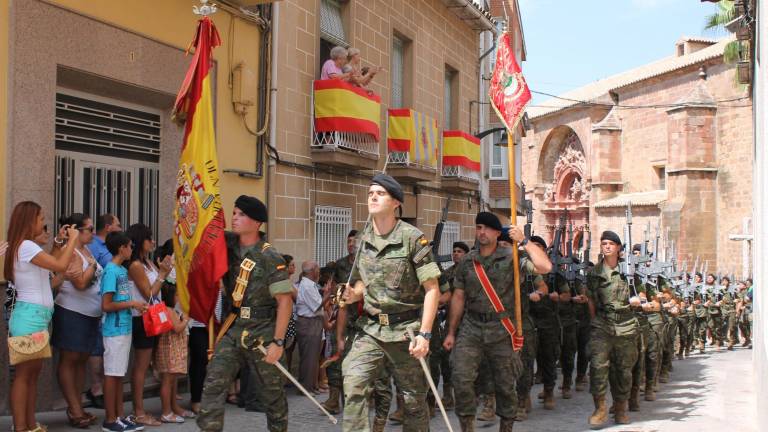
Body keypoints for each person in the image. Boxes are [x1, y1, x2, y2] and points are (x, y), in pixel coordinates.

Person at [340, 174, 443, 432]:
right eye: (370, 193)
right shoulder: (364, 237)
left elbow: (432, 289)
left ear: (396, 202)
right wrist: (354, 294)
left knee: (413, 401)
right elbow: (364, 281)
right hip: (370, 330)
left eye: (380, 193)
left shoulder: (412, 238)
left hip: (405, 330)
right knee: (353, 384)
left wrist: (425, 334)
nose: (373, 197)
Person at [443, 212, 551, 432]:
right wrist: (451, 332)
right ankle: (467, 426)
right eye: (478, 227)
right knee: (461, 377)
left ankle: (506, 427)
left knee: (505, 384)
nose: (481, 232)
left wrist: (524, 241)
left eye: (487, 228)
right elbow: (458, 297)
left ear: (496, 233)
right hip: (471, 327)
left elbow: (545, 267)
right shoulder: (467, 261)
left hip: (502, 329)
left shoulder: (513, 258)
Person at [197, 195, 294, 432]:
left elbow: (284, 301)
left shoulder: (270, 257)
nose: (235, 218)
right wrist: (205, 197)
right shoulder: (228, 244)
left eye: (242, 215)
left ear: (257, 222)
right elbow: (206, 224)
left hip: (263, 331)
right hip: (234, 326)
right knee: (213, 384)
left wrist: (278, 342)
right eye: (234, 213)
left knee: (272, 394)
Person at [5, 201, 79, 432]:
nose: (43, 221)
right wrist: (73, 240)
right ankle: (20, 427)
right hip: (29, 319)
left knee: (32, 376)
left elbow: (49, 265)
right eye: (40, 218)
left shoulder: (26, 247)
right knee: (24, 376)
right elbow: (59, 264)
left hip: (36, 318)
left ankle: (29, 425)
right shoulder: (25, 245)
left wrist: (58, 242)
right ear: (29, 221)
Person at [586, 231, 644, 428]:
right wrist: (595, 322)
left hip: (626, 326)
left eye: (611, 243)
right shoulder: (594, 273)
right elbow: (591, 300)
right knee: (597, 367)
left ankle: (620, 407)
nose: (607, 246)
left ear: (619, 248)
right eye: (604, 243)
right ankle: (600, 408)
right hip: (602, 325)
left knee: (623, 370)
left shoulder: (630, 272)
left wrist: (638, 300)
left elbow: (642, 294)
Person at [51, 213, 102, 429]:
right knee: (70, 359)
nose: (92, 232)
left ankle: (78, 405)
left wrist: (90, 265)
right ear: (77, 231)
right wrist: (91, 267)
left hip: (89, 314)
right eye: (89, 229)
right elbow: (80, 283)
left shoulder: (87, 249)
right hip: (72, 311)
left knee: (81, 359)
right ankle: (74, 408)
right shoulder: (70, 251)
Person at [124, 223, 172, 426]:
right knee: (141, 367)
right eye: (149, 238)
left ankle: (142, 409)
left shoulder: (148, 263)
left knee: (148, 365)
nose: (153, 242)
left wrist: (162, 272)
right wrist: (162, 274)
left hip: (152, 317)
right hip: (140, 317)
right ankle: (139, 411)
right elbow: (149, 293)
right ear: (138, 241)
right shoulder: (135, 265)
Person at [100, 231, 148, 432]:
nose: (132, 249)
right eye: (129, 245)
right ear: (121, 248)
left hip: (124, 328)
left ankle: (118, 415)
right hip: (115, 330)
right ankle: (110, 419)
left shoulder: (120, 270)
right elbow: (106, 304)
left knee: (119, 373)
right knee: (112, 374)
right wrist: (132, 303)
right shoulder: (111, 270)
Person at [85, 213, 121, 410]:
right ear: (108, 227)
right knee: (97, 348)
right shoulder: (94, 246)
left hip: (109, 303)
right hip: (98, 302)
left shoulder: (108, 246)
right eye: (118, 225)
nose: (121, 228)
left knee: (103, 348)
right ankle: (96, 388)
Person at [428, 241, 469, 414]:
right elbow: (445, 294)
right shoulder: (448, 273)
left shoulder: (472, 271)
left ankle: (472, 395)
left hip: (469, 320)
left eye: (460, 251)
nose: (456, 254)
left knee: (468, 359)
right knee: (444, 357)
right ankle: (448, 395)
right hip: (450, 320)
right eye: (454, 251)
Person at [155, 282, 193, 423]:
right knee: (167, 380)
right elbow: (177, 328)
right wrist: (185, 320)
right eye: (177, 294)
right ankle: (166, 412)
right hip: (171, 351)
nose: (178, 297)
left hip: (170, 350)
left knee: (170, 380)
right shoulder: (169, 310)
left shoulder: (167, 309)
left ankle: (170, 409)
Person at [295, 260, 326, 393]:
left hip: (313, 323)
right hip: (309, 323)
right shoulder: (307, 286)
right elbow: (317, 305)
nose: (319, 271)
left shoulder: (310, 284)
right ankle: (305, 388)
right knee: (309, 357)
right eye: (317, 268)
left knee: (313, 357)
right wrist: (328, 295)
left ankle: (311, 386)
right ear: (313, 271)